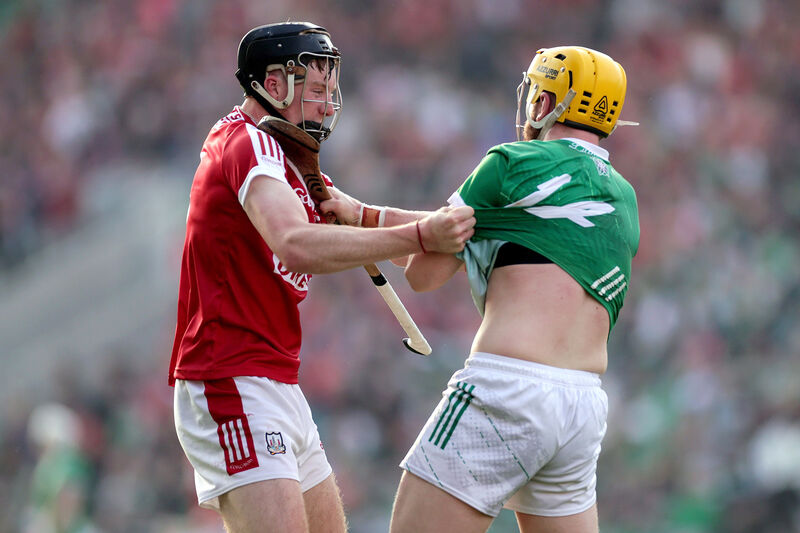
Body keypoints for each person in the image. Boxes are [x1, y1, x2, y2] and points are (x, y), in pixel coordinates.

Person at [168, 21, 475, 533]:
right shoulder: (245, 144)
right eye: (315, 90)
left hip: (276, 380)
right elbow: (296, 242)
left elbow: (365, 223)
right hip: (229, 376)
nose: (328, 103)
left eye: (331, 90)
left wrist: (450, 230)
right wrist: (421, 237)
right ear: (271, 85)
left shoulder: (289, 159)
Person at [386, 46, 640, 533]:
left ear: (548, 103)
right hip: (583, 406)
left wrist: (360, 230)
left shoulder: (510, 162)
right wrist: (361, 216)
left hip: (506, 388)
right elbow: (517, 241)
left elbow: (424, 271)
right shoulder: (624, 197)